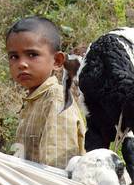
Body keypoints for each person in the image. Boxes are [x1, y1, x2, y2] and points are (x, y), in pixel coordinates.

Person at [7, 14, 86, 168]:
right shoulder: (32, 101)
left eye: (32, 55)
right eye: (14, 56)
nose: (21, 63)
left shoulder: (56, 100)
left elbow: (57, 168)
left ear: (57, 61)